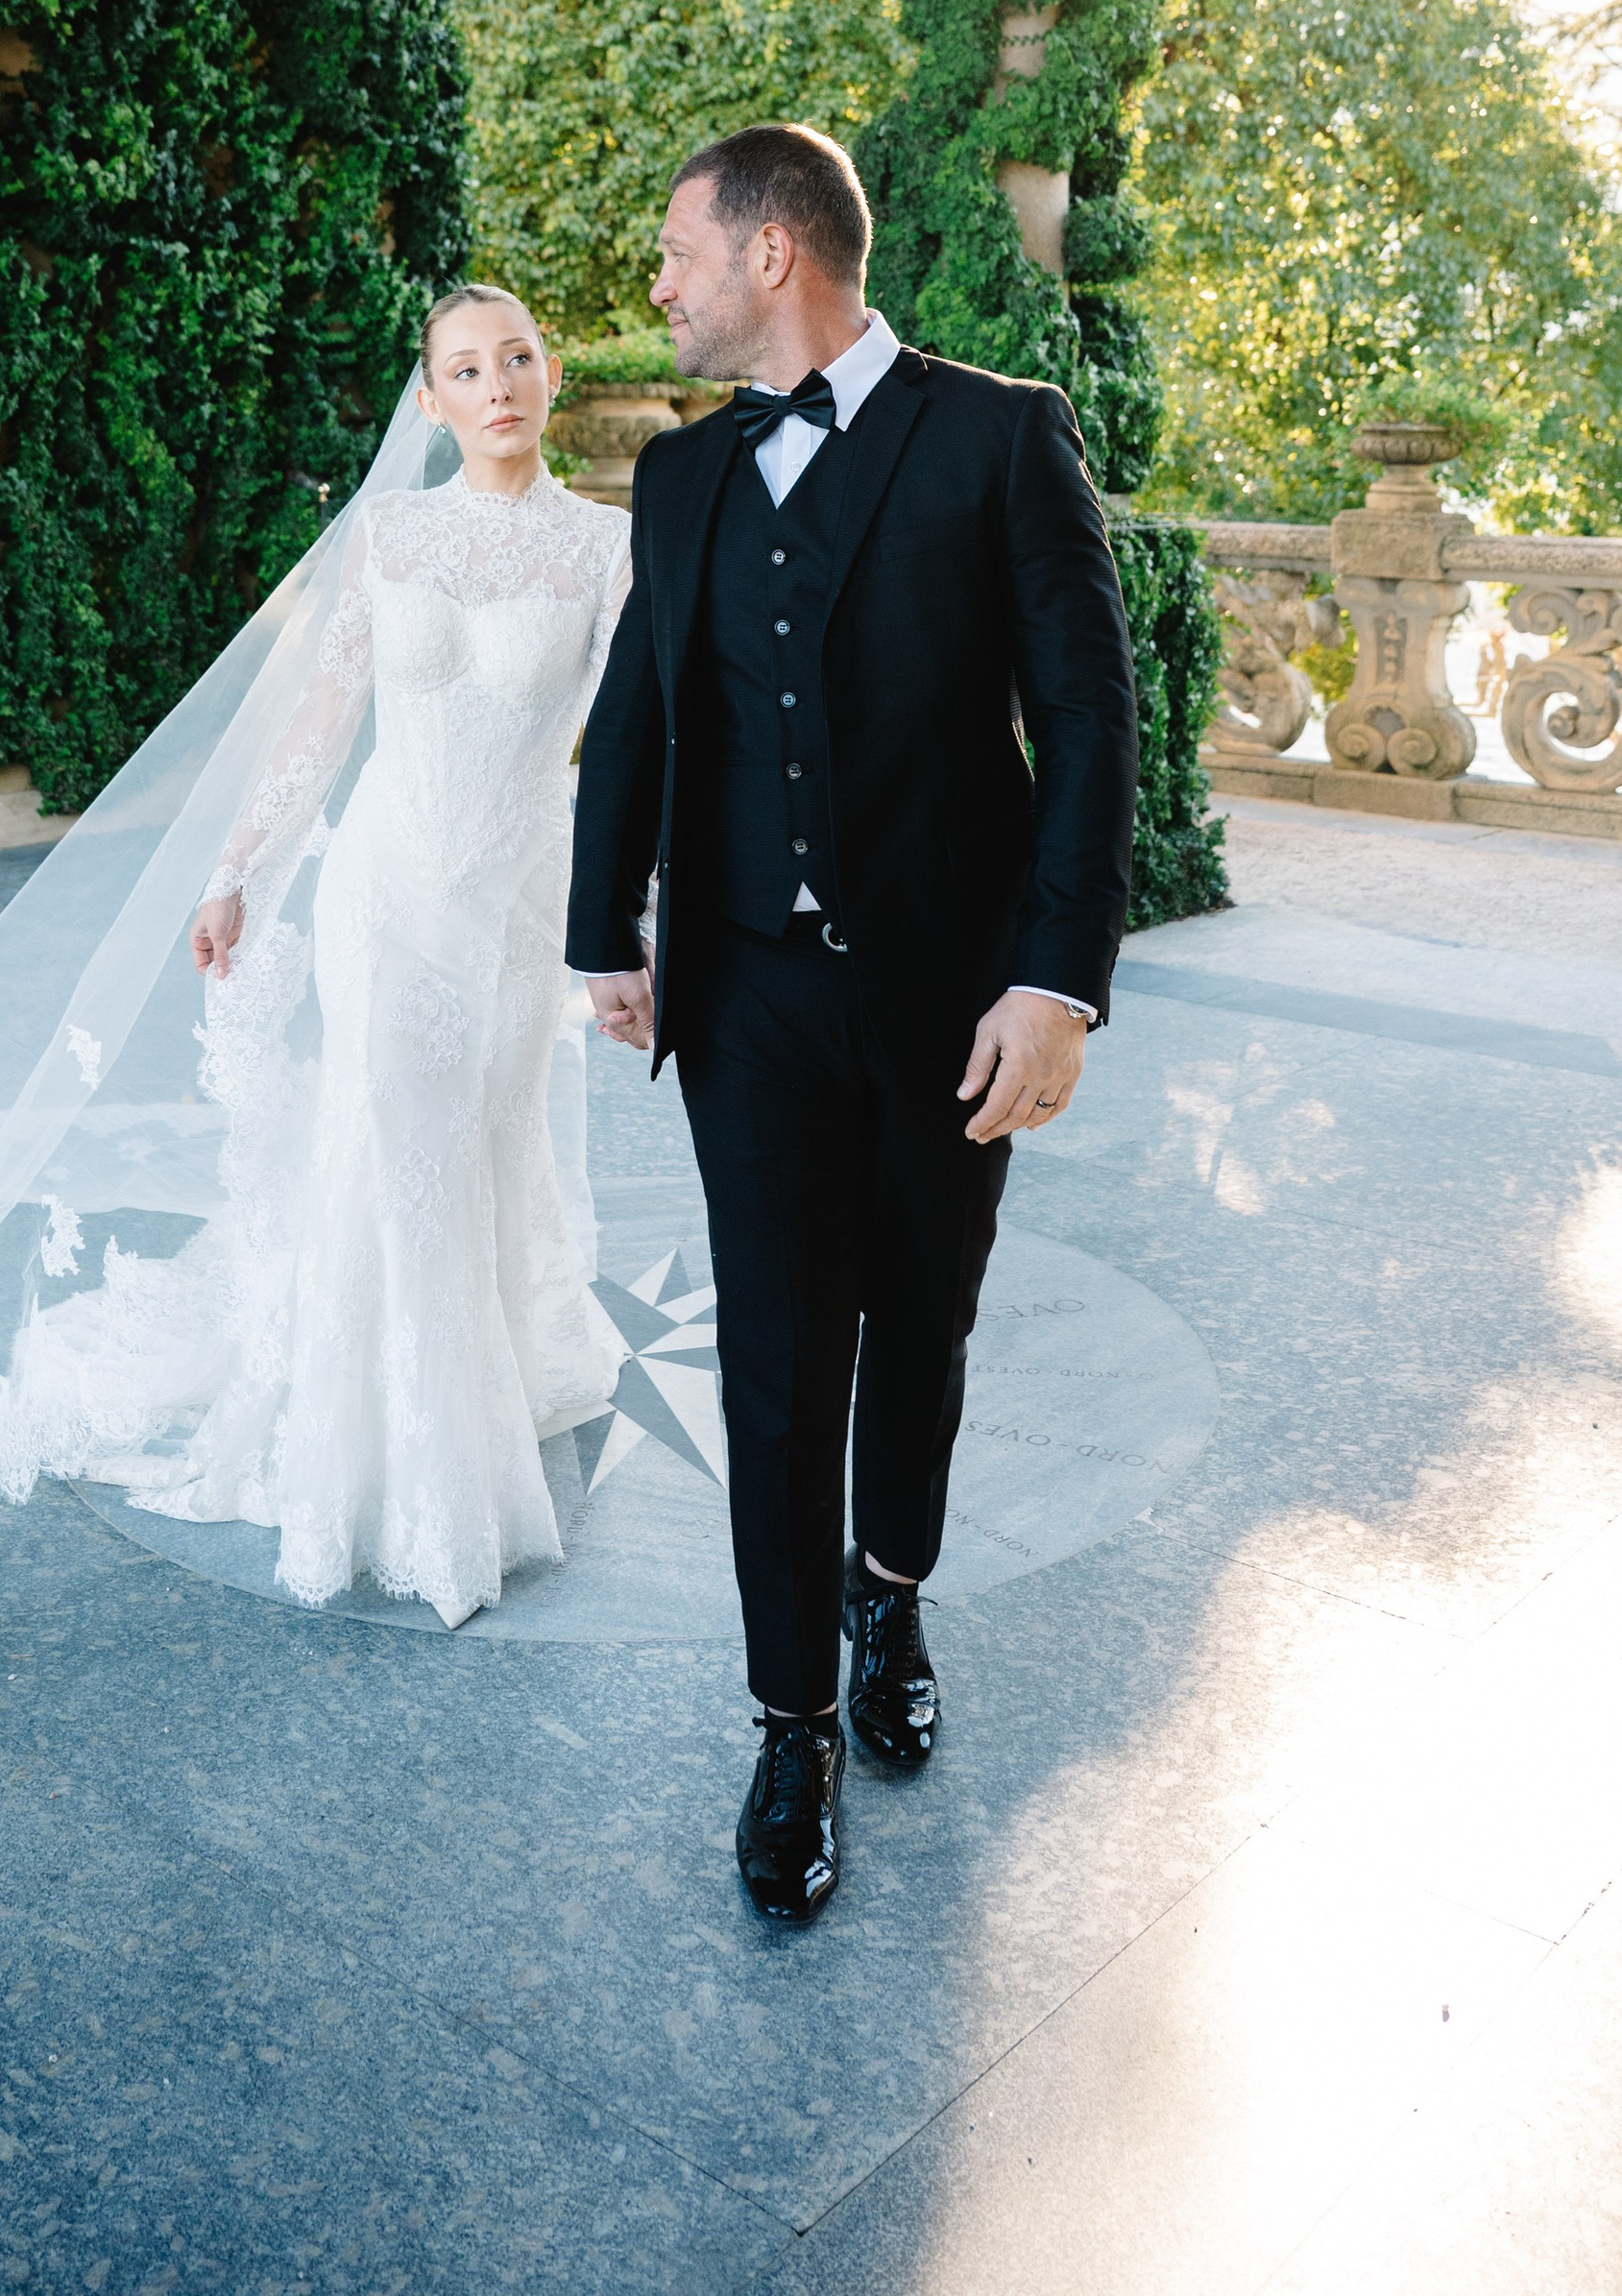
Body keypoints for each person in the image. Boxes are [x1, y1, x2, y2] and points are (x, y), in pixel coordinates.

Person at [0, 287, 628, 1631]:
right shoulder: (391, 536)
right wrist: (235, 872)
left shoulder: (611, 550)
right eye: (463, 369)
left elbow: (638, 759)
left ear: (553, 372)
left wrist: (632, 927)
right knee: (395, 1138)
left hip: (513, 903)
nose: (498, 384)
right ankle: (423, 1481)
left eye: (518, 357)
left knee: (486, 1136)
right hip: (387, 892)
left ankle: (487, 1367)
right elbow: (319, 724)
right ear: (427, 402)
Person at [568, 124, 1139, 1922]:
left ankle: (891, 1587)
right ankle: (791, 1721)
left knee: (924, 1328)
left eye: (676, 252)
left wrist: (1055, 984)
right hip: (744, 1000)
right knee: (777, 1357)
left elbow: (1091, 717)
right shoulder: (681, 480)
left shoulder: (993, 433)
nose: (657, 286)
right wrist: (606, 935)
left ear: (772, 256)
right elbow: (639, 715)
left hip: (953, 999)